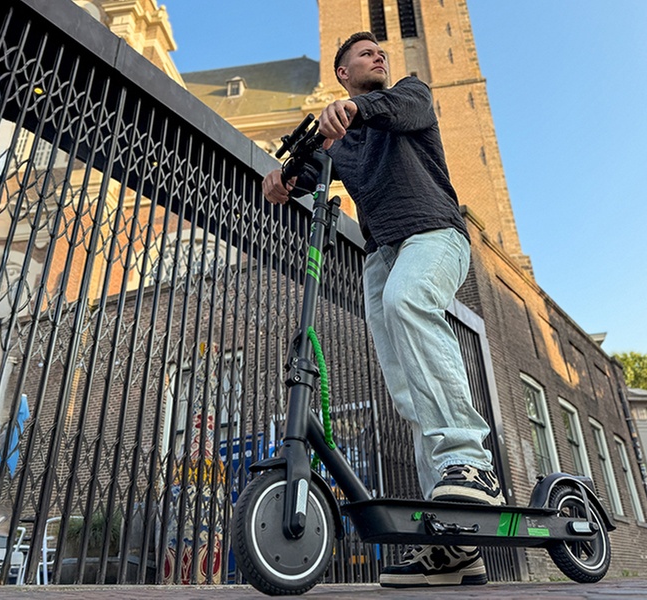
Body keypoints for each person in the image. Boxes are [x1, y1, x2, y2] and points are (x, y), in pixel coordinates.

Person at [262, 32, 503, 588]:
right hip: (382, 255)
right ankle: (456, 547)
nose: (379, 58)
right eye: (365, 55)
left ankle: (473, 464)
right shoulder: (342, 143)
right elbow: (304, 171)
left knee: (409, 301)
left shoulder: (407, 97)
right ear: (341, 71)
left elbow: (398, 107)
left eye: (381, 54)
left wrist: (352, 109)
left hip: (434, 235)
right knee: (408, 386)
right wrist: (281, 182)